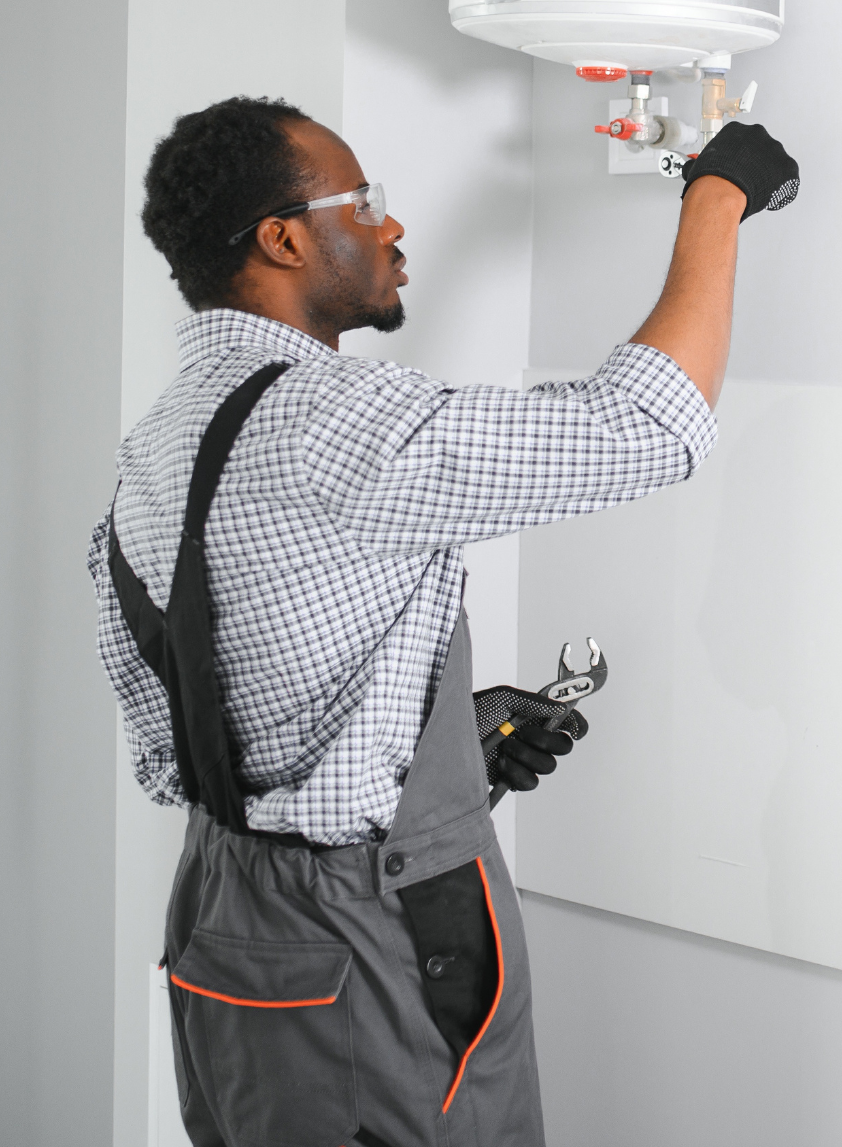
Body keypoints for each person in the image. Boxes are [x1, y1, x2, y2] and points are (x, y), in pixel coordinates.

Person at [87, 95, 799, 1147]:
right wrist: (718, 193)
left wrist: (444, 748)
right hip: (367, 930)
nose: (392, 225)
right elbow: (652, 424)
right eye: (362, 202)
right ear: (283, 239)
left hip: (227, 917)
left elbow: (202, 736)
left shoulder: (157, 444)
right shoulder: (323, 421)